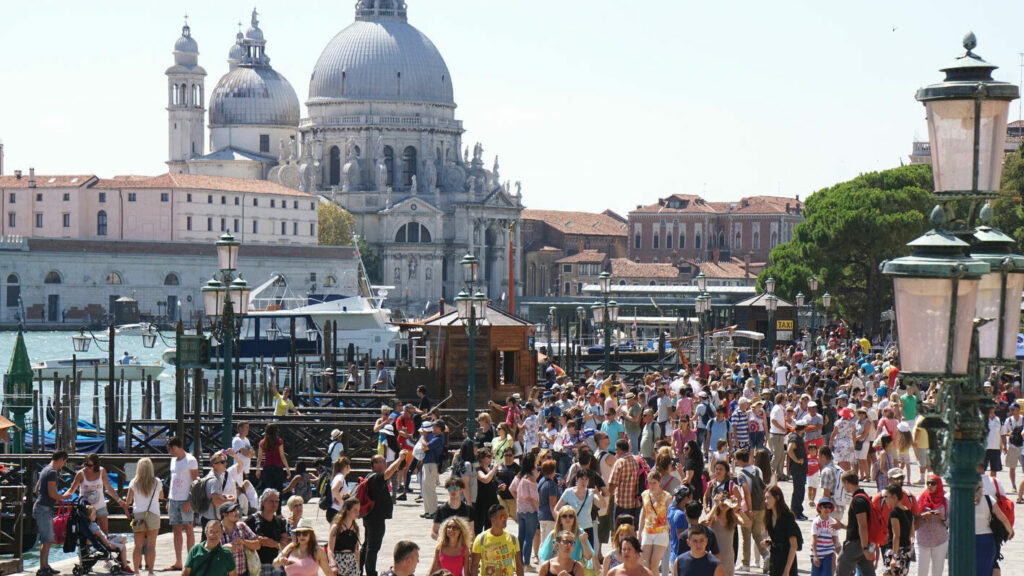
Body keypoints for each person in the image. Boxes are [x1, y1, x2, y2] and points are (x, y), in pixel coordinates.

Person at [361, 451, 410, 576]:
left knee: (367, 545)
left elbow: (391, 471)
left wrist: (400, 461)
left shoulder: (369, 476)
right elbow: (388, 473)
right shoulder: (376, 477)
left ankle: (360, 569)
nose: (385, 463)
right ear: (374, 464)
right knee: (373, 547)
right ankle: (370, 572)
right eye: (382, 461)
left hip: (370, 516)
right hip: (375, 518)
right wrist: (399, 459)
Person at [62, 453, 129, 534]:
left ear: (96, 465)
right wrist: (61, 497)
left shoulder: (102, 471)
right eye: (85, 464)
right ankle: (86, 546)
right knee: (86, 534)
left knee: (105, 533)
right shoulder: (80, 474)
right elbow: (72, 489)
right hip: (86, 508)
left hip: (100, 506)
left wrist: (119, 500)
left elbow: (109, 488)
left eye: (89, 465)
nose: (87, 467)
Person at [164, 438, 200, 571]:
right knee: (176, 530)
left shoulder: (190, 460)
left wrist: (190, 500)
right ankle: (178, 561)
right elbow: (172, 481)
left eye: (170, 449)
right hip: (173, 498)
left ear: (176, 447)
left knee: (189, 529)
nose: (170, 452)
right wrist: (168, 499)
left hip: (185, 499)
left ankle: (191, 561)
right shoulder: (173, 461)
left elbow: (196, 482)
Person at [33, 450, 69, 576]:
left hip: (40, 506)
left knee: (46, 538)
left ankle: (45, 565)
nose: (63, 466)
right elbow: (51, 493)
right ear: (61, 459)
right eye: (64, 462)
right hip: (44, 508)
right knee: (47, 539)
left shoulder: (44, 470)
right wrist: (63, 497)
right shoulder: (52, 472)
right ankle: (43, 568)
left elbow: (37, 490)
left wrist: (52, 499)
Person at [127, 457, 164, 576]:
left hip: (138, 515)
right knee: (151, 545)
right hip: (153, 514)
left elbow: (128, 501)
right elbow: (161, 497)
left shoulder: (134, 482)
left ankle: (136, 572)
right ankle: (151, 572)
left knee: (137, 545)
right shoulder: (157, 482)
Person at [734, 449, 768, 571]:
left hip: (749, 508)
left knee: (746, 536)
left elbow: (747, 492)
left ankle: (746, 563)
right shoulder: (757, 470)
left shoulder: (741, 474)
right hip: (761, 506)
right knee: (758, 534)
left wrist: (749, 509)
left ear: (739, 460)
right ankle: (766, 555)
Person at [836, 471, 874, 576]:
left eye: (844, 484)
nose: (844, 487)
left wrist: (864, 547)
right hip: (864, 542)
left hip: (856, 544)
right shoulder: (864, 496)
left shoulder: (858, 501)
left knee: (841, 573)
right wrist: (842, 526)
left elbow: (863, 525)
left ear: (847, 482)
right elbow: (858, 525)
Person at [470, 504, 524, 576]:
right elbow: (474, 566)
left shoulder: (513, 539)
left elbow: (518, 565)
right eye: (503, 517)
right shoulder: (480, 539)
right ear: (493, 520)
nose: (506, 519)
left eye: (507, 516)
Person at [246, 488, 290, 575]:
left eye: (276, 501)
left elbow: (285, 542)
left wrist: (274, 544)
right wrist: (258, 541)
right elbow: (243, 539)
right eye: (271, 501)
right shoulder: (252, 520)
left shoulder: (279, 521)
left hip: (276, 565)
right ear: (263, 502)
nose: (274, 504)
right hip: (257, 566)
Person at [761, 485, 799, 576]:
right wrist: (769, 542)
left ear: (777, 498)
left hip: (786, 558)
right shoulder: (769, 517)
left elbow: (794, 546)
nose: (765, 501)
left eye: (768, 498)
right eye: (765, 498)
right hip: (774, 558)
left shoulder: (787, 517)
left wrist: (787, 570)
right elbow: (778, 536)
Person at [975, 483, 1013, 576]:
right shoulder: (988, 498)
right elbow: (1003, 519)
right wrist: (1010, 531)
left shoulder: (960, 497)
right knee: (985, 571)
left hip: (967, 539)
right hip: (986, 540)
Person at [914, 474, 948, 576]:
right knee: (920, 572)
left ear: (939, 484)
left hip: (940, 540)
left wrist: (943, 518)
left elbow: (952, 520)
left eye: (933, 483)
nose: (930, 485)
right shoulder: (920, 498)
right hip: (922, 540)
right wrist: (922, 516)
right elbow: (913, 519)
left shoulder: (946, 499)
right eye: (928, 483)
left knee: (937, 572)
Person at [83, 505, 132, 572]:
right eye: (94, 514)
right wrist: (108, 543)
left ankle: (121, 558)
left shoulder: (93, 524)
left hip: (107, 540)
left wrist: (109, 537)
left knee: (124, 537)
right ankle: (125, 566)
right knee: (123, 547)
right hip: (106, 543)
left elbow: (102, 535)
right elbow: (100, 536)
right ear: (89, 516)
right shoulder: (92, 526)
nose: (95, 515)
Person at [220, 501, 261, 576]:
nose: (237, 513)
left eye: (236, 510)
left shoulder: (242, 526)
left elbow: (257, 545)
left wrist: (243, 542)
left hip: (243, 573)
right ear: (224, 514)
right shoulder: (216, 529)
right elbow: (210, 552)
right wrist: (224, 548)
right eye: (233, 511)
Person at [608, 438, 641, 523]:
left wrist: (609, 502)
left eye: (616, 450)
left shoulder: (620, 462)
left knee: (620, 529)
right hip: (636, 502)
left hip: (622, 503)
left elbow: (612, 484)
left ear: (619, 450)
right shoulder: (638, 460)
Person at [328, 498, 363, 576]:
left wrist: (358, 568)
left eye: (358, 510)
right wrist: (333, 565)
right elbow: (330, 549)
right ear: (347, 510)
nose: (358, 512)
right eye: (355, 510)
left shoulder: (355, 528)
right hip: (339, 560)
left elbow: (356, 550)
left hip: (352, 560)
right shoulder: (336, 527)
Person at [883, 486, 912, 576]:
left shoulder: (894, 512)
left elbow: (896, 535)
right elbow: (911, 532)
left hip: (896, 550)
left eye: (886, 496)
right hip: (906, 550)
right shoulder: (908, 511)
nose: (885, 499)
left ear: (894, 497)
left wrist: (894, 557)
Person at [257, 422, 292, 493]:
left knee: (268, 490)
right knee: (278, 490)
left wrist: (258, 469)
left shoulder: (262, 442)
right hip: (277, 467)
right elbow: (282, 456)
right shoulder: (279, 441)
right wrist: (288, 469)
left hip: (267, 467)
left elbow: (259, 457)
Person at [423, 420, 447, 518]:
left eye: (435, 427)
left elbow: (425, 447)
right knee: (425, 488)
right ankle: (427, 510)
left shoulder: (439, 438)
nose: (433, 428)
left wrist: (422, 437)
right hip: (427, 463)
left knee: (430, 488)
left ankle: (433, 511)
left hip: (432, 464)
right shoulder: (435, 437)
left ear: (439, 428)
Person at [786, 420, 809, 520]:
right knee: (798, 491)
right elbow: (789, 450)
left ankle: (799, 510)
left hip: (801, 469)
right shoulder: (794, 438)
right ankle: (795, 512)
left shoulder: (799, 437)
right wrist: (797, 460)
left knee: (801, 490)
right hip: (797, 469)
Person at [811, 497, 840, 576]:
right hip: (818, 552)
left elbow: (835, 538)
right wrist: (815, 555)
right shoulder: (816, 522)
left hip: (828, 553)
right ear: (820, 508)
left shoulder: (833, 522)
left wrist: (836, 552)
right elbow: (814, 540)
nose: (827, 509)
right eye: (824, 506)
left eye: (829, 506)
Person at [327, 457, 353, 522]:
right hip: (336, 511)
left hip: (333, 510)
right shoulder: (340, 477)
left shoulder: (337, 476)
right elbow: (334, 489)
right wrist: (341, 502)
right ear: (347, 466)